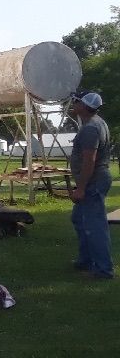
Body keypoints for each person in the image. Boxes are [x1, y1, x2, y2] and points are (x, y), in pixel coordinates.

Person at [68, 91, 113, 279]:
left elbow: (89, 161)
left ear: (84, 106)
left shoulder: (90, 128)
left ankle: (103, 270)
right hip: (94, 179)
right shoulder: (96, 122)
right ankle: (86, 260)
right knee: (79, 218)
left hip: (93, 181)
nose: (73, 104)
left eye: (76, 101)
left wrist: (81, 188)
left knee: (95, 225)